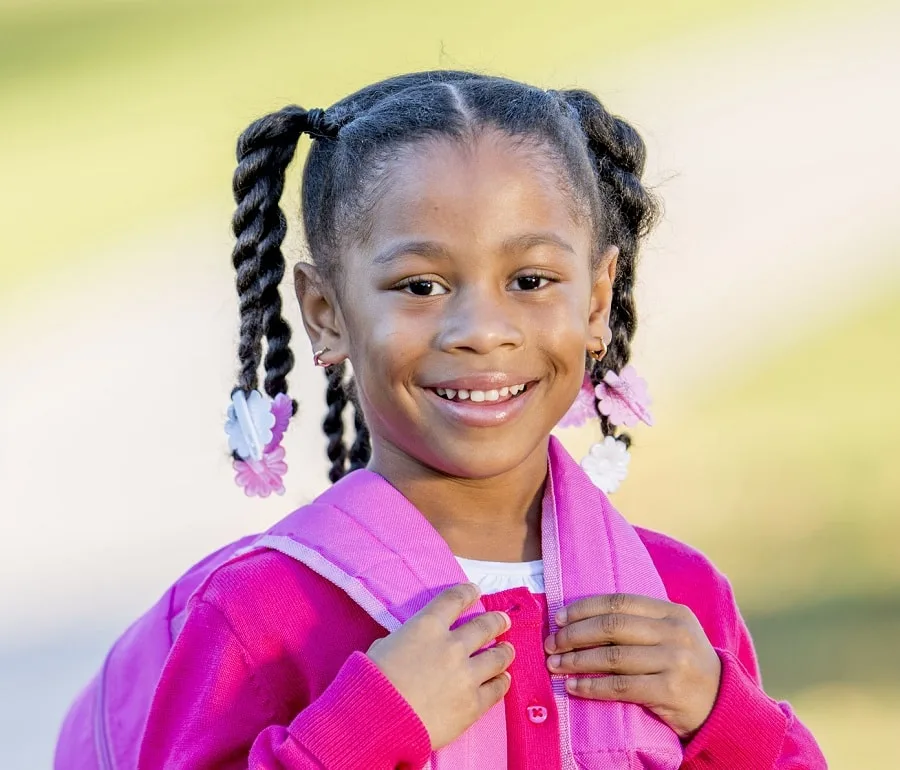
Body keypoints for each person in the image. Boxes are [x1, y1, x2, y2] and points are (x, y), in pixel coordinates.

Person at [56, 71, 826, 769]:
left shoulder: (679, 599)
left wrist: (725, 715)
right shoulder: (260, 615)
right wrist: (358, 732)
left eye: (530, 279)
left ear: (595, 302)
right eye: (420, 285)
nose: (481, 329)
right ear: (326, 313)